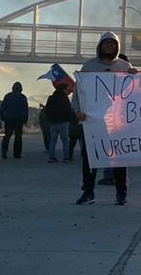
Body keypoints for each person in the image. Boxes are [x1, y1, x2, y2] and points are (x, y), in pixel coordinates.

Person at [73, 31, 134, 205]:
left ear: (117, 46)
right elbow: (78, 92)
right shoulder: (89, 66)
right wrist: (77, 110)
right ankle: (88, 193)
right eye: (106, 43)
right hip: (93, 121)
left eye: (113, 43)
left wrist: (136, 77)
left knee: (120, 157)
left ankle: (122, 193)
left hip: (117, 122)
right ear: (100, 45)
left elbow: (133, 92)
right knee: (90, 158)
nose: (109, 46)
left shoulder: (125, 66)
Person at [44, 84, 75, 162]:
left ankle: (51, 157)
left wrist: (49, 119)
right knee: (65, 140)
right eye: (66, 89)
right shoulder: (64, 98)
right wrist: (70, 119)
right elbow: (68, 109)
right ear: (63, 89)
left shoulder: (50, 98)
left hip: (53, 122)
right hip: (63, 122)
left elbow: (47, 110)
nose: (67, 91)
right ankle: (66, 157)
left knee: (53, 140)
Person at [0, 82, 29, 159]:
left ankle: (4, 150)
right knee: (18, 137)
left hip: (8, 119)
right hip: (19, 119)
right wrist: (25, 119)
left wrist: (2, 117)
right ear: (21, 89)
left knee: (7, 136)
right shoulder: (22, 97)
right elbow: (25, 109)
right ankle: (17, 154)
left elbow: (2, 108)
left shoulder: (7, 96)